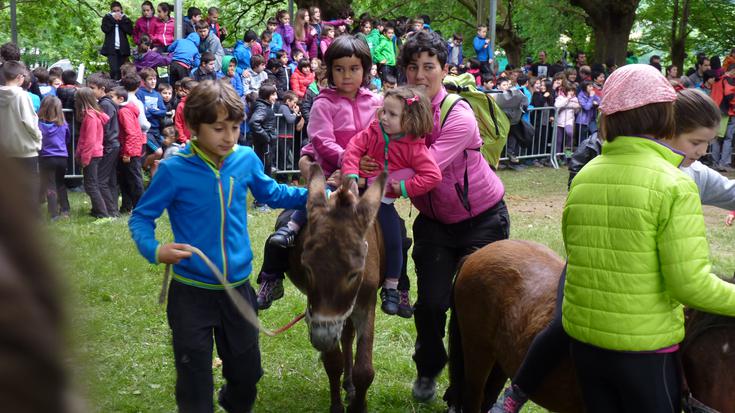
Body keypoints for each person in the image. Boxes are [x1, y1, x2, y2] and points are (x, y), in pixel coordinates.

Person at [493, 86, 733, 413]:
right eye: (695, 142)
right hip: (615, 303)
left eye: (708, 143)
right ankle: (519, 389)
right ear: (666, 128)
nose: (703, 152)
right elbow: (688, 283)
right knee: (559, 325)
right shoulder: (672, 183)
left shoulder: (677, 172)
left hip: (603, 333)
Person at [129, 79, 308, 413]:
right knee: (194, 379)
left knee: (248, 373)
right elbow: (141, 218)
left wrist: (317, 196)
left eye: (236, 127)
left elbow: (272, 193)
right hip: (190, 294)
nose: (229, 137)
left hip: (238, 289)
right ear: (194, 127)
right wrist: (154, 249)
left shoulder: (245, 159)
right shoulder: (172, 170)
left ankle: (232, 400)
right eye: (218, 128)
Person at [568, 65, 735, 412]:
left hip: (584, 344)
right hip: (643, 350)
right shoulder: (674, 184)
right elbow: (691, 286)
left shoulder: (585, 174)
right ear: (666, 115)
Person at [392, 30, 509, 402]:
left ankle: (464, 393)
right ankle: (428, 368)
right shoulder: (397, 112)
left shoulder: (459, 114)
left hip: (484, 220)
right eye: (413, 67)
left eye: (429, 66)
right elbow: (373, 148)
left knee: (470, 311)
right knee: (430, 306)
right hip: (434, 225)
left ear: (444, 69)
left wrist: (378, 182)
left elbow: (428, 172)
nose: (421, 75)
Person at [258, 35, 382, 309]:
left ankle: (395, 284)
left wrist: (364, 168)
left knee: (394, 229)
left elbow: (383, 140)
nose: (347, 75)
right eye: (339, 69)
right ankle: (272, 274)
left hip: (364, 181)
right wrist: (348, 161)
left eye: (354, 69)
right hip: (329, 178)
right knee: (286, 224)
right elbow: (322, 140)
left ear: (365, 69)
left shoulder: (376, 103)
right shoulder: (323, 103)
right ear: (329, 71)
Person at [341, 87, 441, 315]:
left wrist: (404, 187)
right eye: (383, 111)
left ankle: (392, 287)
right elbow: (353, 149)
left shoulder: (415, 147)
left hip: (383, 202)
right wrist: (351, 174)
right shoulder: (374, 130)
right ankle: (291, 231)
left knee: (395, 241)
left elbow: (433, 176)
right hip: (356, 194)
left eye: (392, 114)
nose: (384, 117)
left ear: (411, 119)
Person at [0, 60, 43, 209]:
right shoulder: (22, 96)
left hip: (5, 151)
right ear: (20, 77)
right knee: (28, 190)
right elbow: (29, 122)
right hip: (25, 150)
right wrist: (38, 138)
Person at [87, 73, 120, 217]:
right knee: (109, 179)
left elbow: (104, 126)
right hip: (112, 144)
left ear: (102, 89)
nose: (89, 90)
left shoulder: (105, 104)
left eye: (92, 88)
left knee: (100, 180)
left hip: (109, 145)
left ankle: (109, 211)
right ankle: (112, 209)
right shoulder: (107, 103)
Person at [75, 87, 111, 218]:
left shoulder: (90, 117)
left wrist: (84, 159)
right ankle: (97, 210)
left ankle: (102, 214)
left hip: (92, 154)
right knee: (91, 184)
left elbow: (89, 140)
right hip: (95, 153)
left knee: (91, 185)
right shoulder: (93, 114)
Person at [37, 96, 70, 220]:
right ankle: (65, 210)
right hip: (62, 157)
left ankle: (54, 213)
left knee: (50, 185)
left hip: (46, 157)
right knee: (60, 183)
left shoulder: (39, 125)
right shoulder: (64, 125)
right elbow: (67, 139)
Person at [136, 68, 166, 159]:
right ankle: (143, 165)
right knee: (158, 152)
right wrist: (155, 111)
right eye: (150, 79)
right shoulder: (139, 93)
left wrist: (151, 110)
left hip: (156, 129)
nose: (153, 81)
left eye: (154, 79)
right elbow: (143, 113)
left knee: (161, 154)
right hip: (146, 131)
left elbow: (163, 112)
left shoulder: (157, 94)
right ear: (143, 81)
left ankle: (152, 172)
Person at [100, 1, 133, 80]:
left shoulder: (125, 19)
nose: (116, 13)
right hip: (111, 49)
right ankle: (112, 85)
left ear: (121, 10)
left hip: (122, 49)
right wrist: (114, 20)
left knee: (122, 70)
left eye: (118, 11)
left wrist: (120, 21)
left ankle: (121, 86)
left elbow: (129, 31)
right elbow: (105, 29)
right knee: (114, 70)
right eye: (114, 11)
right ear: (111, 11)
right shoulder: (107, 18)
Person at [554, 81, 580, 160]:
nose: (571, 93)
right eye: (569, 90)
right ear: (566, 91)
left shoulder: (575, 99)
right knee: (559, 140)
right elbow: (557, 105)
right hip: (559, 121)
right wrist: (567, 99)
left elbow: (576, 109)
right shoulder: (560, 97)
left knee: (570, 134)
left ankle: (568, 156)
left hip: (569, 121)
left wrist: (577, 106)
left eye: (572, 91)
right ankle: (557, 157)